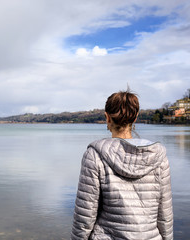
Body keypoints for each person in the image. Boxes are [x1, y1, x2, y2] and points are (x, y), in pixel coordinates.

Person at [71, 90, 173, 240]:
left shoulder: (94, 155)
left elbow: (85, 215)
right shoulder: (158, 157)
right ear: (135, 118)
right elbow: (165, 214)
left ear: (107, 117)